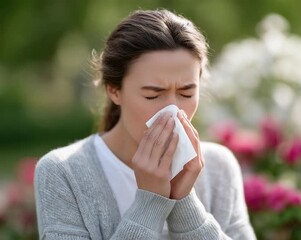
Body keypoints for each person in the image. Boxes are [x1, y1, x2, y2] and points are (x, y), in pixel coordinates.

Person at [34, 9, 256, 240]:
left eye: (186, 93)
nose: (173, 112)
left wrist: (184, 201)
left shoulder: (219, 168)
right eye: (153, 95)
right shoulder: (63, 172)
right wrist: (150, 203)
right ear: (114, 90)